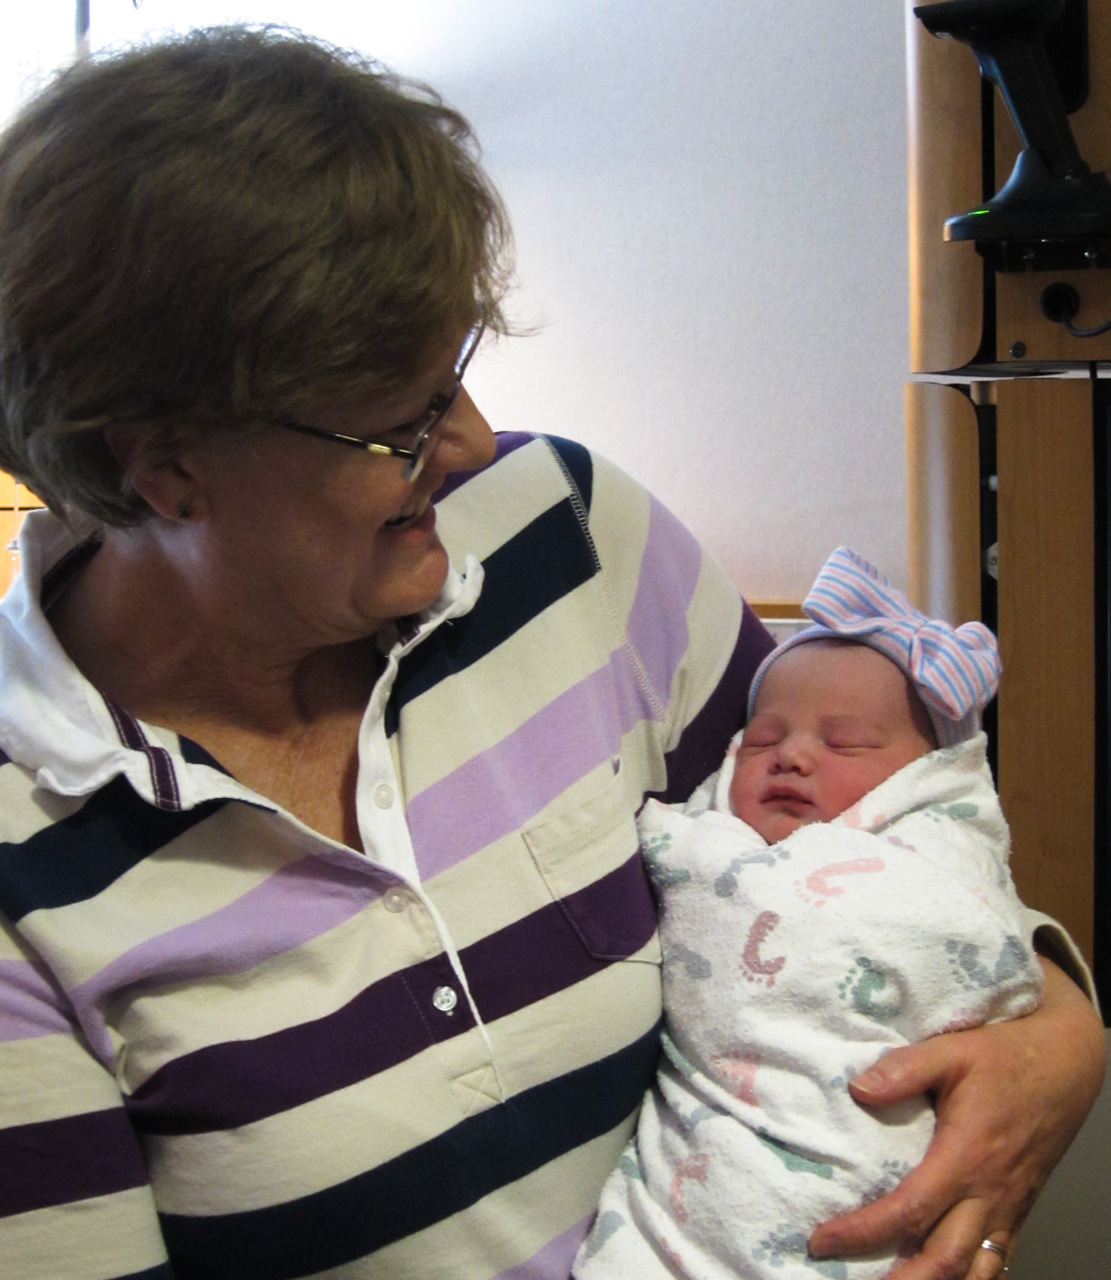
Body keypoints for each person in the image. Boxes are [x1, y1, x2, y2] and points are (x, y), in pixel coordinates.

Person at [0, 26, 1101, 1280]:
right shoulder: (27, 865)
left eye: (454, 374)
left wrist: (1059, 1029)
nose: (472, 443)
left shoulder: (568, 531)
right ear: (166, 465)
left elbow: (860, 850)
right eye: (400, 422)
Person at [574, 548, 1046, 1280]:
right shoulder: (705, 845)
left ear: (925, 779)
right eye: (762, 739)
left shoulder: (931, 867)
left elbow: (991, 951)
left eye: (844, 743)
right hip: (696, 1183)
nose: (790, 756)